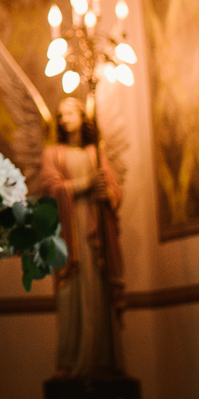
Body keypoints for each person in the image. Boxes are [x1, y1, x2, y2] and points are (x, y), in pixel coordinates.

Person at [38, 97, 124, 380]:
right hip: (70, 236)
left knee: (97, 294)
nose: (64, 119)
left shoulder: (94, 153)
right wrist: (83, 185)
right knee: (71, 295)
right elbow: (49, 190)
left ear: (82, 116)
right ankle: (71, 359)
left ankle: (100, 359)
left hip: (93, 237)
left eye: (69, 113)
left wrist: (107, 194)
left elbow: (114, 189)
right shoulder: (54, 154)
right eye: (60, 115)